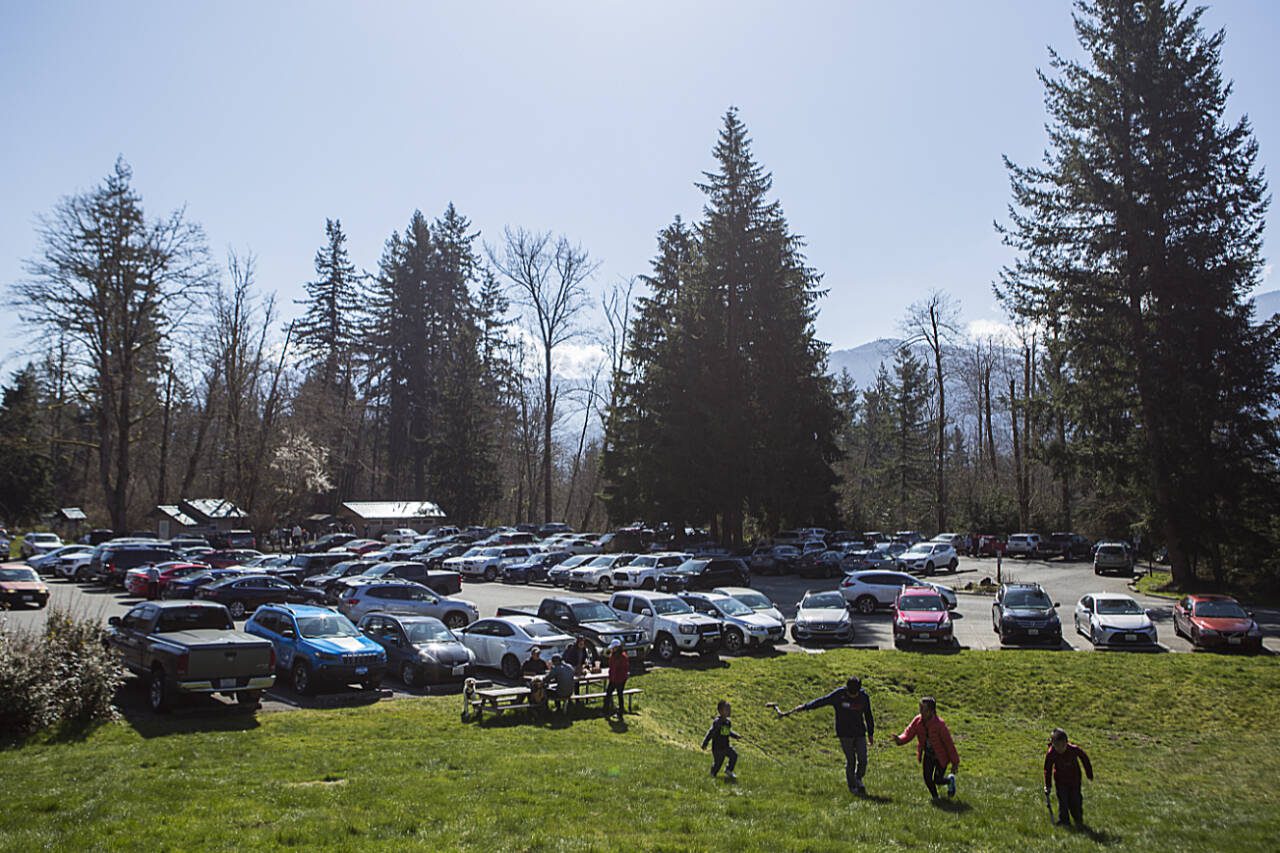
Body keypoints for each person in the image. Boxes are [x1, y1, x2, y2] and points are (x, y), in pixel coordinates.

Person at [784, 676, 875, 794]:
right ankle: (852, 787)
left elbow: (868, 715)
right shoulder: (838, 695)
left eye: (855, 694)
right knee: (851, 760)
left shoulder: (864, 697)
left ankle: (858, 778)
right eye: (851, 694)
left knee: (863, 759)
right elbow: (822, 701)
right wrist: (805, 706)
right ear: (847, 689)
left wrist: (871, 733)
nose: (853, 696)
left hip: (860, 733)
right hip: (844, 733)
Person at [892, 696, 960, 800]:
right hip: (928, 755)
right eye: (920, 708)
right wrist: (900, 739)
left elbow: (949, 744)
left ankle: (950, 780)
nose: (921, 712)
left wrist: (955, 762)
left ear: (931, 711)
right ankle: (935, 797)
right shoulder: (918, 721)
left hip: (941, 757)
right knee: (927, 778)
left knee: (937, 780)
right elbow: (908, 732)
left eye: (923, 709)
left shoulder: (940, 725)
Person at [1044, 728, 1093, 826]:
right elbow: (1047, 769)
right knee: (1063, 801)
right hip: (1060, 781)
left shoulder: (1074, 750)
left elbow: (1084, 759)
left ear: (1067, 743)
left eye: (1063, 746)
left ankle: (1078, 819)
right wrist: (1048, 785)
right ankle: (1064, 821)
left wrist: (1089, 773)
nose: (1060, 749)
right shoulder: (1051, 753)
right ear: (1052, 744)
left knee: (1075, 800)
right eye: (1057, 746)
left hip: (1074, 780)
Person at [701, 699, 741, 780]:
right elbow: (711, 733)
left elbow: (727, 732)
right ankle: (712, 773)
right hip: (717, 748)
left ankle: (729, 770)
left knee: (734, 755)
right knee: (718, 763)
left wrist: (735, 736)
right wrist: (705, 743)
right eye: (727, 709)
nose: (729, 711)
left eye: (730, 709)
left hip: (726, 746)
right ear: (721, 711)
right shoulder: (717, 722)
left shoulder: (727, 722)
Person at [604, 640, 628, 719]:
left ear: (617, 648)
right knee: (608, 694)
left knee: (620, 695)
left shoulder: (623, 657)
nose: (612, 650)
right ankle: (605, 711)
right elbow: (611, 667)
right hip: (613, 679)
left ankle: (620, 713)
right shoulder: (612, 656)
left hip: (620, 680)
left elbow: (624, 669)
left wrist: (619, 679)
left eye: (613, 648)